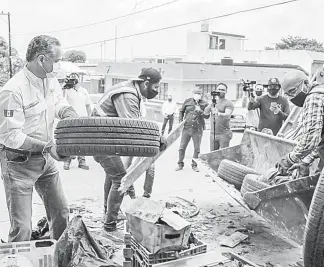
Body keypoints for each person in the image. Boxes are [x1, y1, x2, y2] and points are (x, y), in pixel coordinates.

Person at [0, 35, 78, 242]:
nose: (59, 65)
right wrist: (47, 147)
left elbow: (59, 104)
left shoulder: (50, 81)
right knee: (22, 228)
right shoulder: (12, 91)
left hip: (47, 161)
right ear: (41, 59)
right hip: (19, 163)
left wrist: (68, 112)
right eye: (57, 60)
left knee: (61, 213)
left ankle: (59, 258)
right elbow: (10, 136)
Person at [92, 68, 166, 236]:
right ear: (146, 83)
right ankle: (109, 226)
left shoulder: (132, 91)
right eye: (156, 87)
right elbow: (134, 126)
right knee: (121, 179)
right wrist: (156, 137)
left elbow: (136, 121)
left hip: (104, 139)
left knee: (112, 177)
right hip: (102, 140)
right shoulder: (127, 94)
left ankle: (108, 213)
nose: (157, 91)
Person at [276, 70, 324, 178]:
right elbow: (320, 141)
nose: (292, 97)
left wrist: (290, 159)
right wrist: (306, 161)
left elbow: (311, 137)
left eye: (293, 91)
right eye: (288, 94)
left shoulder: (314, 97)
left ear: (306, 84)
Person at [62, 73, 92, 170]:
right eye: (72, 78)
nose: (73, 80)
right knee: (70, 140)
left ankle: (82, 161)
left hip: (83, 119)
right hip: (71, 119)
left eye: (75, 78)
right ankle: (67, 161)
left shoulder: (84, 91)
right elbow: (62, 103)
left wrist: (90, 117)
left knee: (82, 141)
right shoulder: (67, 91)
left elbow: (88, 105)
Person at [176, 87, 209, 172]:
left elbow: (207, 116)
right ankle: (180, 164)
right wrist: (180, 121)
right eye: (196, 93)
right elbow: (181, 111)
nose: (197, 95)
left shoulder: (204, 103)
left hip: (197, 129)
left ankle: (194, 165)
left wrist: (201, 111)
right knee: (182, 147)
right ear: (193, 93)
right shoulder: (187, 101)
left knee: (197, 148)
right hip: (186, 127)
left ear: (201, 95)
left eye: (199, 93)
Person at [204, 83, 234, 151]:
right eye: (219, 89)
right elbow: (206, 113)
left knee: (224, 154)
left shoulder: (228, 103)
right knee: (213, 155)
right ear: (216, 90)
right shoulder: (213, 102)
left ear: (226, 92)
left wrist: (219, 113)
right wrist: (211, 102)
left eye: (223, 90)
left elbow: (227, 115)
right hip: (213, 133)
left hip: (224, 134)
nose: (220, 91)